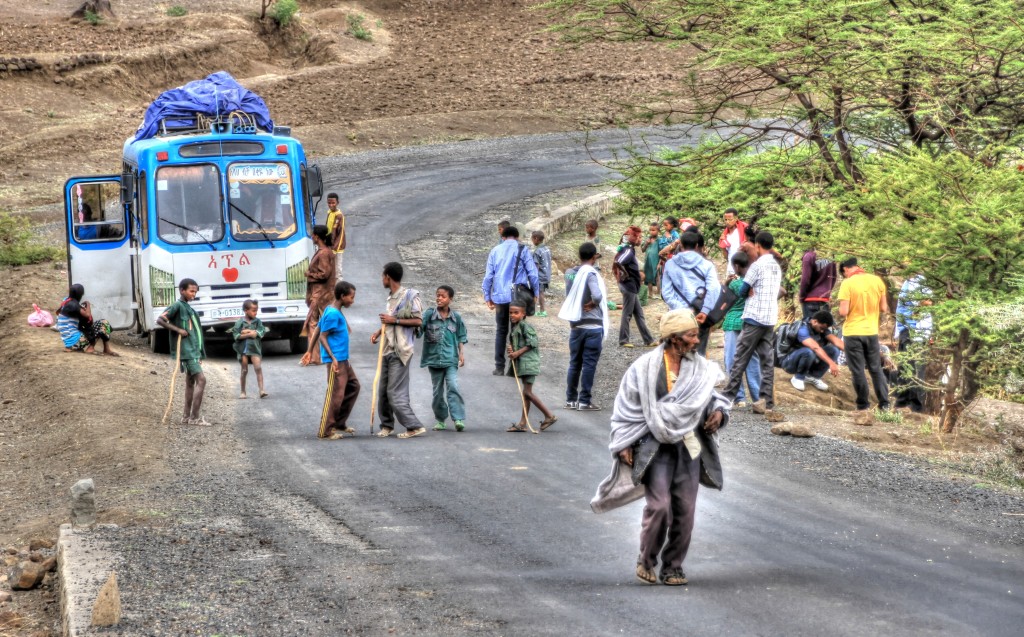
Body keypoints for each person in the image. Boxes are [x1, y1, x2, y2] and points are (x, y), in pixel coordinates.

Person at [591, 309, 729, 587]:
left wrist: (719, 413)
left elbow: (714, 397)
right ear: (674, 339)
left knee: (686, 509)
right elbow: (625, 408)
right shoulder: (643, 369)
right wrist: (623, 442)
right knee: (660, 506)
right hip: (654, 445)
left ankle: (673, 566)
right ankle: (646, 559)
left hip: (689, 446)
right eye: (691, 335)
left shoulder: (700, 367)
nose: (696, 340)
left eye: (695, 334)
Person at [721, 231, 785, 422]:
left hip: (754, 317)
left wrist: (748, 290)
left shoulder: (757, 266)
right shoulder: (776, 266)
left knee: (740, 357)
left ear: (757, 246)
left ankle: (729, 395)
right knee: (766, 360)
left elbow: (741, 291)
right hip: (769, 318)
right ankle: (766, 400)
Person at [371, 262, 427, 439]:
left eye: (383, 276)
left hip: (401, 350)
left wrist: (393, 320)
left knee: (395, 392)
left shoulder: (409, 296)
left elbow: (418, 321)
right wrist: (379, 331)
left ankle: (414, 426)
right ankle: (387, 425)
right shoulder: (391, 297)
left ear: (388, 277)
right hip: (387, 349)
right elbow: (390, 320)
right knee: (383, 391)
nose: (382, 279)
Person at [303, 281, 360, 440]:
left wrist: (309, 351)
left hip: (343, 360)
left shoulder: (331, 309)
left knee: (354, 386)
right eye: (351, 297)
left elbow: (319, 329)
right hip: (337, 361)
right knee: (335, 394)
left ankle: (339, 422)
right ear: (342, 296)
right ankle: (325, 430)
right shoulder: (333, 313)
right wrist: (333, 358)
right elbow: (322, 336)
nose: (352, 301)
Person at [482, 225, 540, 375]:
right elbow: (533, 274)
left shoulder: (495, 251)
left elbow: (488, 276)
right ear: (517, 236)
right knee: (517, 331)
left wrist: (487, 296)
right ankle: (514, 369)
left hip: (500, 297)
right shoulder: (522, 250)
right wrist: (536, 292)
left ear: (503, 237)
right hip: (518, 298)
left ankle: (499, 367)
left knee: (501, 331)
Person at [560, 242, 609, 411]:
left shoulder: (569, 274)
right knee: (589, 364)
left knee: (574, 362)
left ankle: (570, 399)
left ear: (579, 255)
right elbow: (597, 295)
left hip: (576, 325)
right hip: (592, 326)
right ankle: (584, 401)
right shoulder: (590, 274)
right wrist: (593, 303)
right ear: (594, 257)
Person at [837, 257, 891, 413]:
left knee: (858, 370)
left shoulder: (847, 284)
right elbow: (884, 308)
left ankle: (863, 405)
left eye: (844, 273)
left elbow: (843, 311)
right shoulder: (877, 281)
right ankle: (884, 404)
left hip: (853, 332)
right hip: (871, 332)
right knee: (876, 369)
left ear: (846, 269)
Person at [156, 278, 209, 426]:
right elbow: (160, 320)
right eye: (191, 291)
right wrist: (178, 329)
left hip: (193, 350)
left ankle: (186, 417)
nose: (194, 294)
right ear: (182, 290)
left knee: (190, 382)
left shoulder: (188, 308)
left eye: (195, 291)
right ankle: (194, 418)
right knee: (202, 380)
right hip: (187, 351)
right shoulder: (177, 306)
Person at [660, 231, 721, 356]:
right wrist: (705, 310)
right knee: (699, 353)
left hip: (678, 315)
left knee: (679, 352)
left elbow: (666, 292)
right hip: (701, 315)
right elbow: (714, 289)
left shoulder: (670, 264)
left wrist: (683, 311)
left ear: (681, 245)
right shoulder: (707, 265)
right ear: (697, 246)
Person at [420, 285, 468, 432]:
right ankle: (440, 419)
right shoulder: (429, 315)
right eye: (438, 295)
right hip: (433, 360)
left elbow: (461, 336)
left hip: (450, 359)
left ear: (450, 299)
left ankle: (458, 418)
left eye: (443, 296)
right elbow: (418, 330)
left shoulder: (456, 318)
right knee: (437, 392)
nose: (439, 298)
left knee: (453, 386)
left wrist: (461, 353)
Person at [506, 301, 557, 432]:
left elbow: (532, 343)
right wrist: (512, 350)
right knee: (525, 393)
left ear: (523, 314)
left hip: (529, 363)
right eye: (511, 312)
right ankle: (523, 423)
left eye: (516, 313)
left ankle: (549, 416)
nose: (512, 315)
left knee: (527, 392)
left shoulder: (525, 326)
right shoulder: (516, 327)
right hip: (522, 363)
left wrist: (517, 353)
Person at [722, 252, 760, 407]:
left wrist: (726, 283)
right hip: (750, 323)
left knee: (732, 360)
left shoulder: (734, 284)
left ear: (736, 266)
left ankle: (739, 397)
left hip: (732, 323)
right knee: (752, 360)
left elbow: (722, 296)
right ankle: (758, 397)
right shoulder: (755, 282)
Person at [893, 275, 933, 413]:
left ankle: (915, 406)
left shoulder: (921, 281)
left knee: (915, 368)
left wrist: (917, 307)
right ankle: (901, 402)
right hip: (905, 329)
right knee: (904, 366)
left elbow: (928, 302)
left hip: (915, 330)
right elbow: (901, 308)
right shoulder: (906, 282)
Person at [780, 310, 844, 391]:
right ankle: (798, 378)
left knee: (834, 350)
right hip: (789, 361)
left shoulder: (821, 328)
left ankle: (812, 377)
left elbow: (835, 340)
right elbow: (815, 347)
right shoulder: (802, 329)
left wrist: (852, 353)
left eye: (824, 329)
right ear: (815, 321)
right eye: (821, 328)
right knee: (808, 351)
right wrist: (831, 363)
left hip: (807, 358)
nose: (822, 331)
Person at [613, 226, 655, 348]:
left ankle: (649, 340)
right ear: (634, 238)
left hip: (631, 286)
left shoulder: (628, 249)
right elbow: (618, 261)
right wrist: (624, 274)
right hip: (628, 286)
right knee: (627, 314)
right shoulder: (628, 250)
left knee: (639, 313)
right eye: (640, 237)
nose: (641, 239)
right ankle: (623, 340)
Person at [302, 225, 337, 365]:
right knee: (325, 322)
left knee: (313, 323)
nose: (312, 237)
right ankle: (317, 356)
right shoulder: (325, 251)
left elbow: (324, 274)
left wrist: (309, 275)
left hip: (320, 293)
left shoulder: (323, 253)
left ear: (317, 237)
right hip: (323, 293)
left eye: (313, 235)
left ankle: (314, 356)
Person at [57, 284, 116, 355]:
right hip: (76, 341)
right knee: (103, 323)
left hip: (70, 342)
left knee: (91, 328)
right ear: (80, 294)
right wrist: (88, 304)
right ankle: (91, 348)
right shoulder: (73, 304)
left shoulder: (66, 301)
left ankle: (106, 349)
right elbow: (87, 315)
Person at [231, 299, 267, 399]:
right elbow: (236, 335)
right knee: (244, 370)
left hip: (254, 349)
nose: (256, 313)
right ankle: (242, 391)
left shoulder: (258, 321)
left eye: (256, 310)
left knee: (258, 368)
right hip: (243, 351)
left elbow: (260, 332)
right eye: (253, 310)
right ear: (246, 310)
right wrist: (248, 334)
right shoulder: (240, 322)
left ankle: (261, 390)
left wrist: (247, 332)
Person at [799, 248, 837, 320]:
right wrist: (827, 292)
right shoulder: (830, 257)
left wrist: (801, 297)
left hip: (810, 300)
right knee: (824, 329)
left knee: (810, 328)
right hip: (824, 299)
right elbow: (834, 277)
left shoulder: (808, 256)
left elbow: (805, 280)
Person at [718, 208, 748, 276]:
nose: (727, 222)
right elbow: (727, 256)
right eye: (725, 220)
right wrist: (722, 247)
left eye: (730, 219)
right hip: (731, 269)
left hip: (743, 268)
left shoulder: (743, 229)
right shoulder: (725, 234)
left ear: (736, 218)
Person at [324, 193, 347, 281]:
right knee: (330, 268)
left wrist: (335, 248)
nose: (331, 205)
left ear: (337, 202)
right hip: (330, 245)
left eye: (333, 203)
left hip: (337, 247)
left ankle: (339, 290)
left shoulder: (339, 216)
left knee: (338, 270)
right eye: (329, 203)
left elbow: (340, 234)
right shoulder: (329, 213)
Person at [531, 230, 552, 317]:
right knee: (541, 292)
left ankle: (542, 310)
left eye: (532, 239)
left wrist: (532, 277)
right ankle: (541, 310)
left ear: (536, 239)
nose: (532, 241)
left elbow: (536, 266)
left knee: (540, 293)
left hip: (540, 276)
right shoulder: (546, 249)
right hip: (547, 274)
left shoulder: (537, 251)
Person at [642, 223, 661, 299]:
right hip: (648, 262)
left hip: (656, 261)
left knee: (657, 277)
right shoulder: (647, 239)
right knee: (649, 277)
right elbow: (643, 250)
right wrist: (646, 243)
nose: (651, 232)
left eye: (654, 230)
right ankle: (650, 293)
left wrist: (660, 263)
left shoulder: (660, 240)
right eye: (650, 230)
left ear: (658, 231)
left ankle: (659, 292)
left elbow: (661, 252)